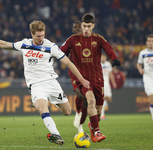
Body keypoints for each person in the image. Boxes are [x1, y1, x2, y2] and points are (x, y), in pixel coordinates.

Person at [0, 20, 90, 145]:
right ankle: (56, 134)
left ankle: (40, 103)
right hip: (36, 85)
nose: (41, 38)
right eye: (38, 36)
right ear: (32, 34)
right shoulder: (24, 44)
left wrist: (82, 79)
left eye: (43, 35)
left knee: (67, 111)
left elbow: (68, 63)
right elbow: (4, 44)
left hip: (51, 82)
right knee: (43, 108)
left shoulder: (51, 46)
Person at [60, 13, 121, 143]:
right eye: (84, 26)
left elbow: (108, 48)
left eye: (88, 26)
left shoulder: (98, 39)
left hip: (98, 78)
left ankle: (93, 125)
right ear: (81, 25)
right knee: (91, 100)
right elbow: (61, 51)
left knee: (98, 109)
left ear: (93, 26)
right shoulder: (73, 39)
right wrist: (54, 57)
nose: (86, 29)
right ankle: (97, 133)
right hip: (82, 79)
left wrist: (114, 58)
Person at [64, 21, 87, 131]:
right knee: (80, 94)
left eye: (79, 27)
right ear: (73, 30)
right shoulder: (70, 41)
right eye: (75, 27)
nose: (77, 29)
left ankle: (84, 123)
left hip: (87, 71)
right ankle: (78, 113)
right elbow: (61, 52)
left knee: (88, 98)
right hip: (74, 72)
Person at [137, 34, 153, 128]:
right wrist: (140, 69)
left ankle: (152, 109)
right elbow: (139, 64)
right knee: (152, 98)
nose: (150, 42)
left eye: (152, 41)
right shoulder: (143, 53)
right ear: (146, 42)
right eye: (149, 41)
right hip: (148, 78)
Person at [100, 53, 117, 120]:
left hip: (107, 83)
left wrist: (113, 82)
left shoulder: (108, 64)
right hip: (100, 83)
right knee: (102, 98)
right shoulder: (98, 64)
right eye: (102, 57)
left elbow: (110, 74)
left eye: (104, 57)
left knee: (109, 99)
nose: (103, 58)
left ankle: (105, 104)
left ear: (106, 58)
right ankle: (102, 115)